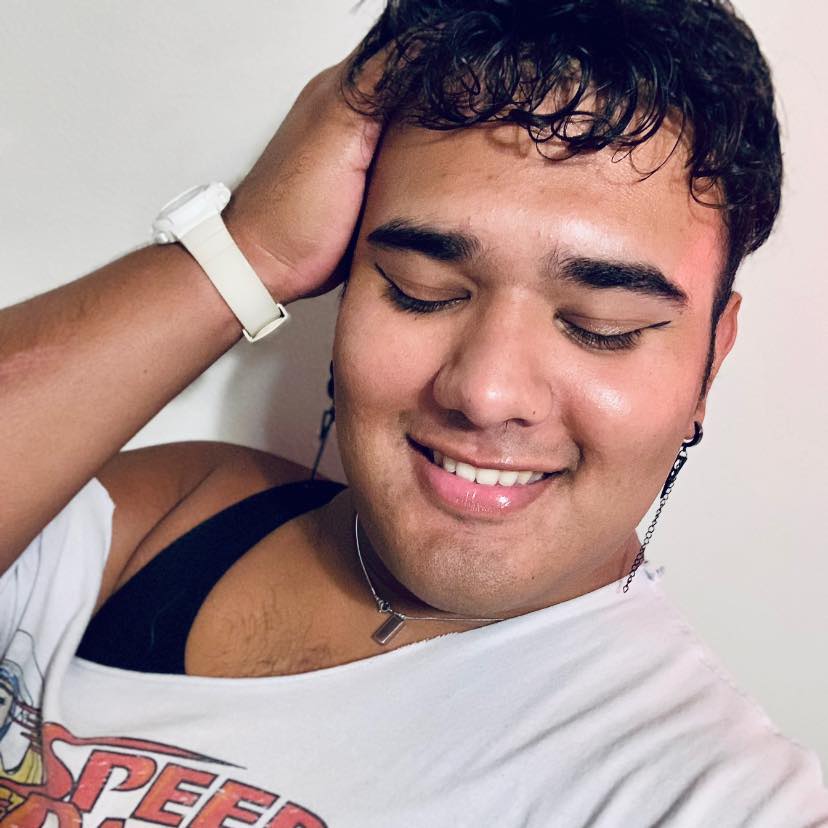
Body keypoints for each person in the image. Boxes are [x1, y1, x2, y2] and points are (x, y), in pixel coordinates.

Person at [1, 0, 826, 824]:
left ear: (710, 362)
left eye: (599, 327)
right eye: (419, 291)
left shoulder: (724, 799)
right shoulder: (172, 519)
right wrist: (250, 250)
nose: (486, 392)